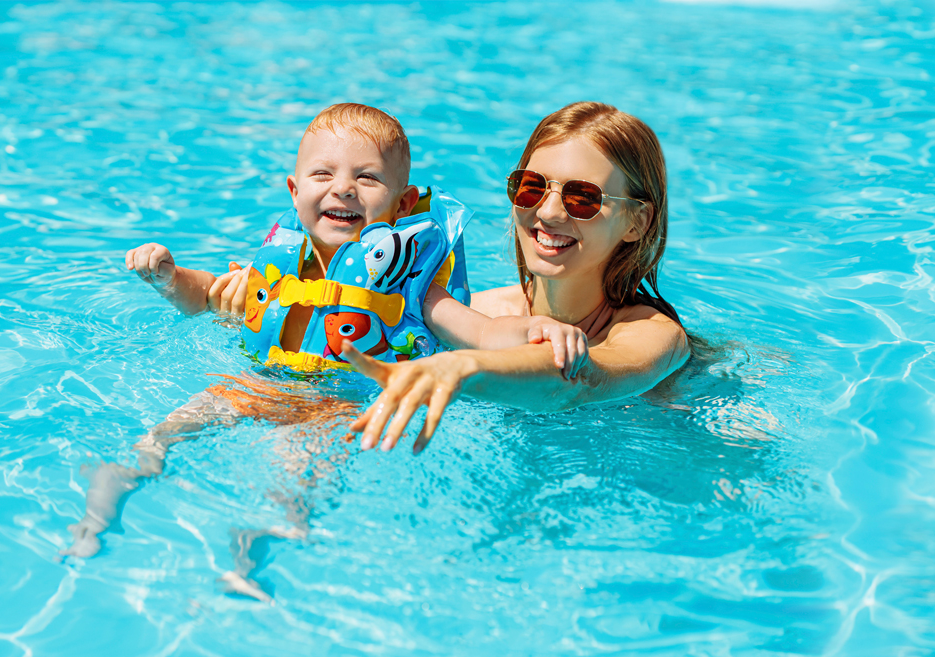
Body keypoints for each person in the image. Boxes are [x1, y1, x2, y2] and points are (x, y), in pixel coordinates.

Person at [63, 104, 580, 560]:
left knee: (295, 484)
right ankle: (115, 488)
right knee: (165, 434)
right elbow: (202, 296)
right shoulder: (283, 263)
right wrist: (169, 278)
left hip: (334, 407)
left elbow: (482, 335)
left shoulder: (409, 286)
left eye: (368, 178)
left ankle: (252, 554)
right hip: (257, 385)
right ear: (295, 190)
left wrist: (538, 329)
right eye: (322, 174)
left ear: (402, 205)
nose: (342, 188)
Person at [344, 101, 692, 454]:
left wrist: (462, 366)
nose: (548, 211)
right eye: (531, 187)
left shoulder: (654, 335)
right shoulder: (475, 314)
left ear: (637, 222)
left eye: (583, 197)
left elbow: (580, 380)